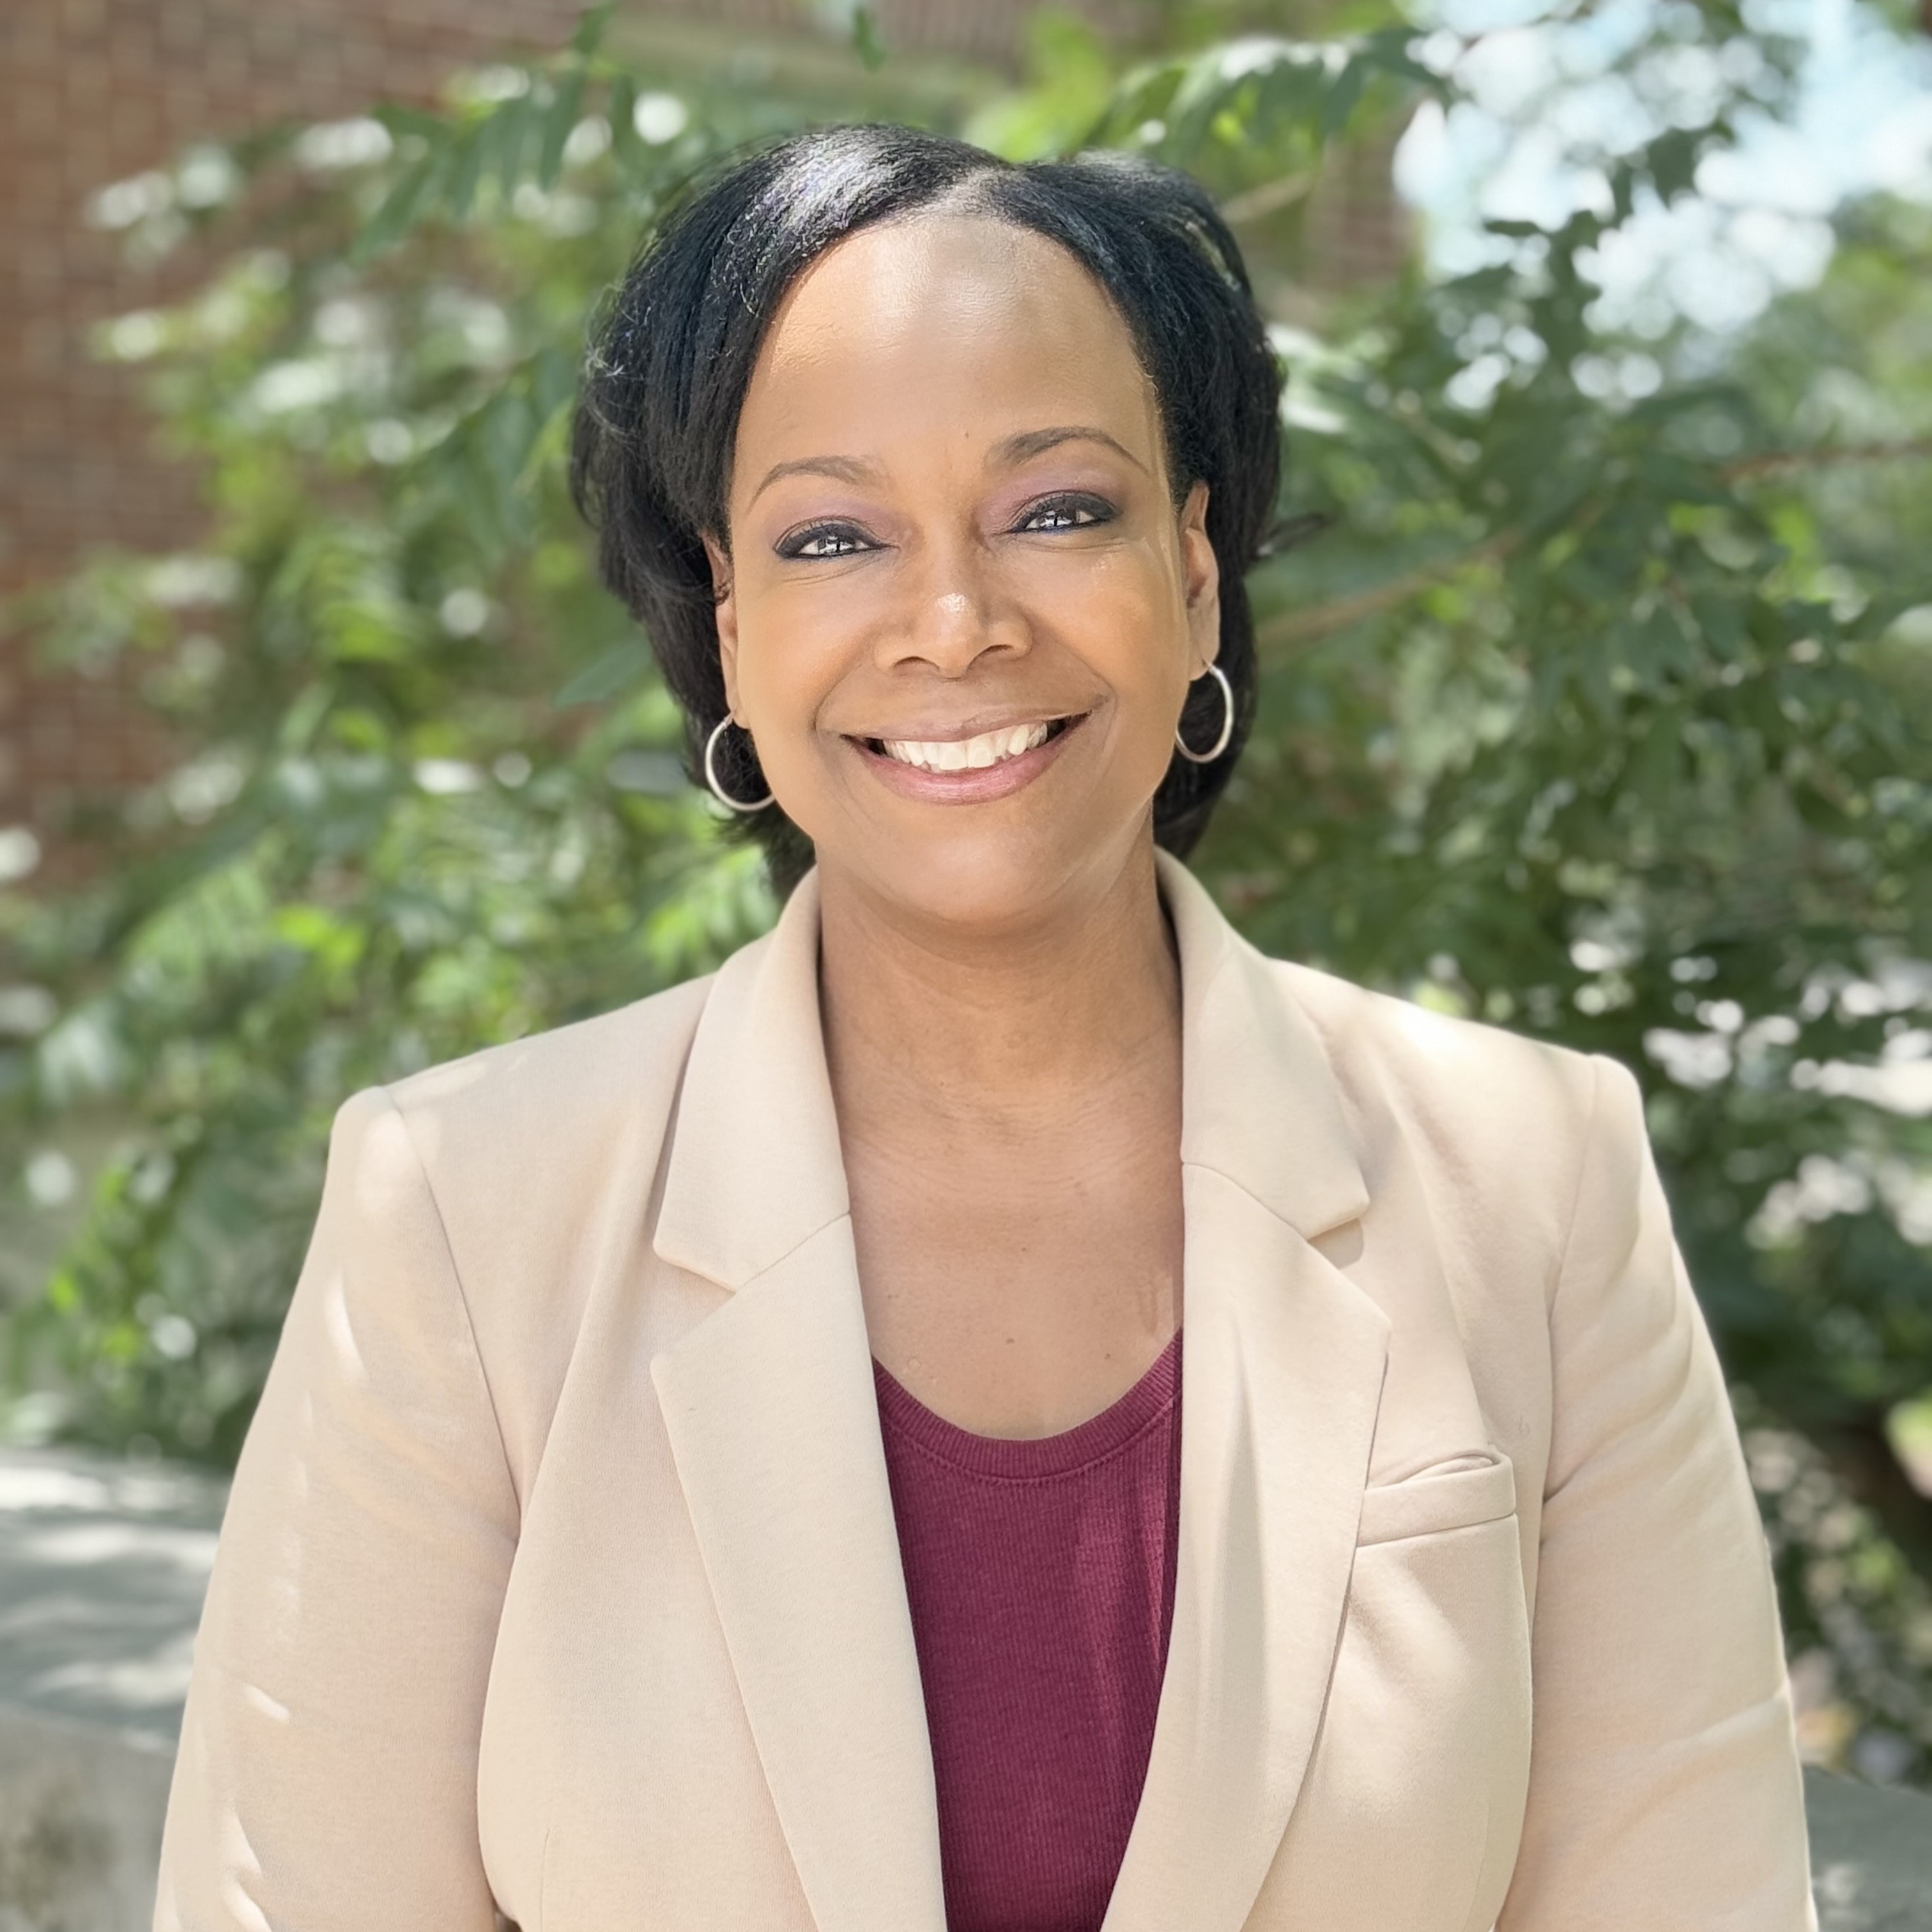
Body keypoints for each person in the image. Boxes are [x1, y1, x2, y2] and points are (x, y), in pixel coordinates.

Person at [154, 124, 1816, 1932]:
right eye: (834, 534)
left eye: (1056, 509)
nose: (952, 623)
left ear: (1194, 572)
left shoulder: (1536, 1180)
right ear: (731, 620)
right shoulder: (462, 1216)